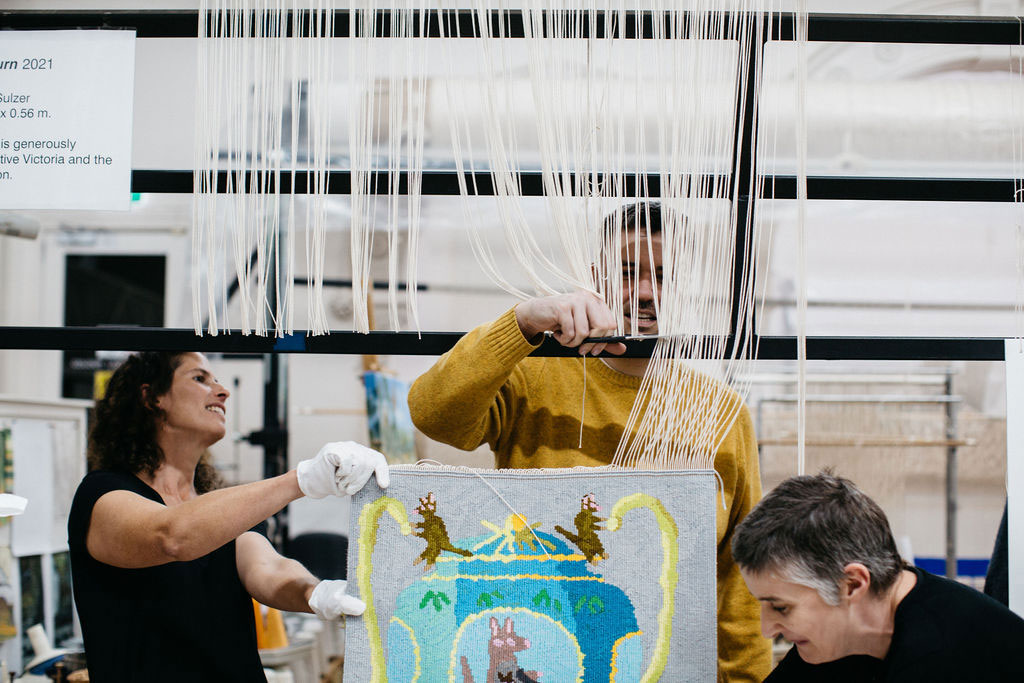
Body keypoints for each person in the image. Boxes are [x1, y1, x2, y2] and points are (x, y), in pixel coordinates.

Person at [407, 201, 770, 682]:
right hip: (540, 655)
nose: (644, 292)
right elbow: (433, 413)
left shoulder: (720, 413)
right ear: (595, 276)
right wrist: (523, 322)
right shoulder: (534, 379)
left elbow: (737, 580)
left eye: (664, 275)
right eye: (626, 272)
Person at [68, 351, 389, 682]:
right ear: (152, 397)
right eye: (200, 379)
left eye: (218, 381)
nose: (222, 392)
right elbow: (171, 536)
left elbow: (267, 568)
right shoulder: (102, 495)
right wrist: (301, 480)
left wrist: (317, 593)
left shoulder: (220, 510)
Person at [732, 471, 1024, 682]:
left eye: (780, 607)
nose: (767, 629)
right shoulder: (841, 634)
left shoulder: (944, 657)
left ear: (853, 584)